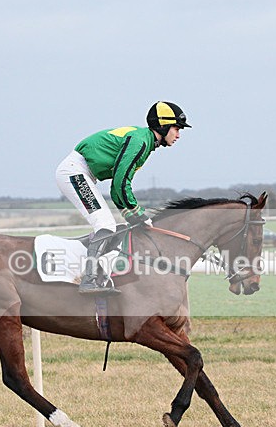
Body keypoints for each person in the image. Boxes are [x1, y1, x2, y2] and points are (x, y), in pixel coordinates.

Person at [55, 101, 191, 295]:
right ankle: (88, 280)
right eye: (176, 128)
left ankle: (95, 273)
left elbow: (116, 189)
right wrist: (138, 213)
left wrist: (132, 215)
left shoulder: (145, 141)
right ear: (163, 125)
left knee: (112, 226)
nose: (178, 135)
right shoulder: (140, 142)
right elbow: (120, 182)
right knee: (104, 224)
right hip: (74, 172)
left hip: (82, 173)